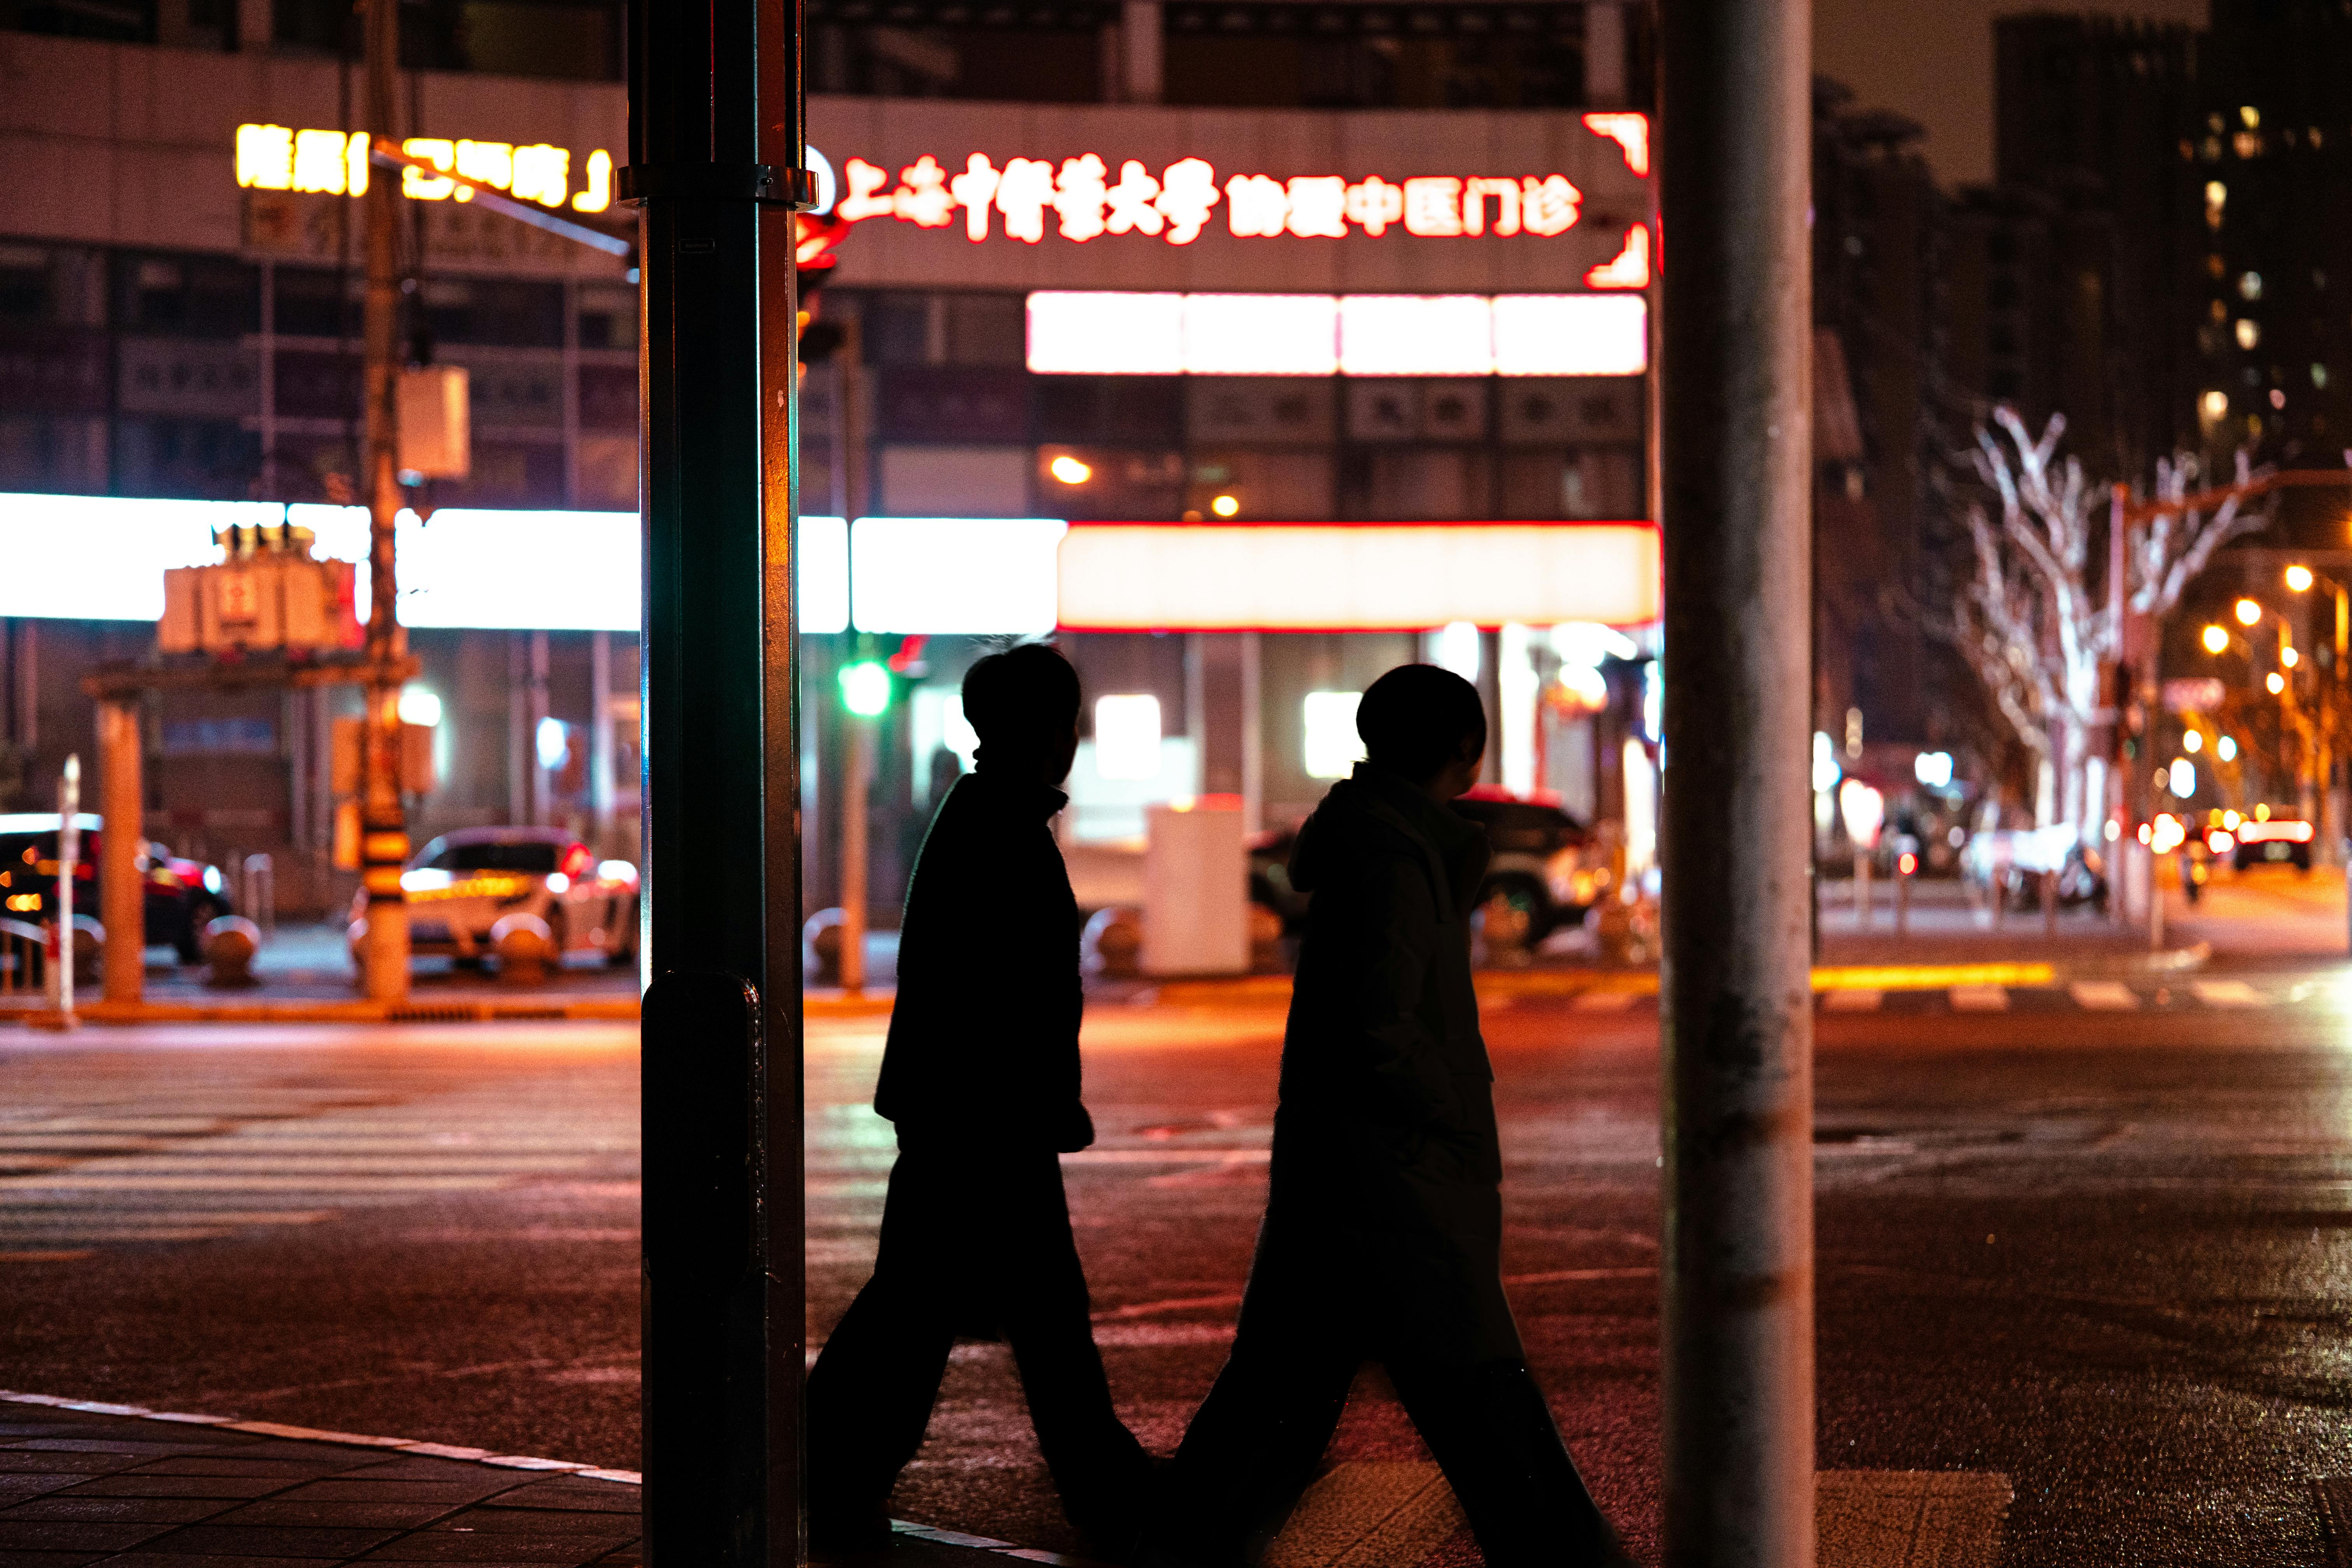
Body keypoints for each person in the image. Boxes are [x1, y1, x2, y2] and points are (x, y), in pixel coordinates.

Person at [1151, 663, 1625, 1568]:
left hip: (1345, 1178)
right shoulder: (1396, 858)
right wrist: (1451, 1113)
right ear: (1463, 752)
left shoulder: (1379, 842)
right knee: (1482, 1403)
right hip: (1394, 1181)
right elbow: (1383, 1022)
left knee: (1278, 1404)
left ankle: (1177, 1552)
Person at [807, 642, 1152, 1557]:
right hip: (985, 1122)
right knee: (950, 1315)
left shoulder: (986, 818)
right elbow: (1009, 995)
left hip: (971, 1114)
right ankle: (825, 1469)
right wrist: (1038, 1103)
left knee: (943, 1312)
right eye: (1069, 723)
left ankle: (831, 1469)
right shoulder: (1002, 832)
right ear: (1052, 732)